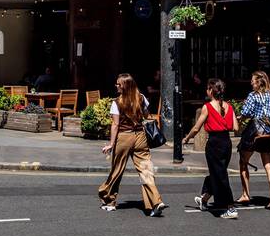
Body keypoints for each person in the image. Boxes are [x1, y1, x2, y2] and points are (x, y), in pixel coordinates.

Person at [97, 73, 167, 217]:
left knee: (117, 170)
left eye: (118, 84)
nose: (116, 86)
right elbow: (147, 116)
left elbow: (115, 125)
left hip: (124, 137)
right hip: (140, 136)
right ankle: (155, 201)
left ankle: (109, 201)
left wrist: (111, 144)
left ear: (125, 86)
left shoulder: (117, 102)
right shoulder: (141, 97)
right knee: (146, 169)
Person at [183, 78, 238, 219]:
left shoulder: (207, 106)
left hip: (214, 143)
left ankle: (231, 207)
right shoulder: (229, 106)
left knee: (221, 176)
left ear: (210, 91)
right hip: (227, 142)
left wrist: (187, 138)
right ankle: (204, 199)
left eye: (207, 88)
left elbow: (196, 127)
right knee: (217, 173)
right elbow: (236, 127)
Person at [237, 70, 270, 211]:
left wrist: (239, 118)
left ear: (258, 82)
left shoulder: (253, 96)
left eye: (253, 80)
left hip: (253, 131)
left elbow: (246, 113)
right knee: (269, 165)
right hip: (267, 132)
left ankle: (245, 194)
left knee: (243, 161)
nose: (251, 82)